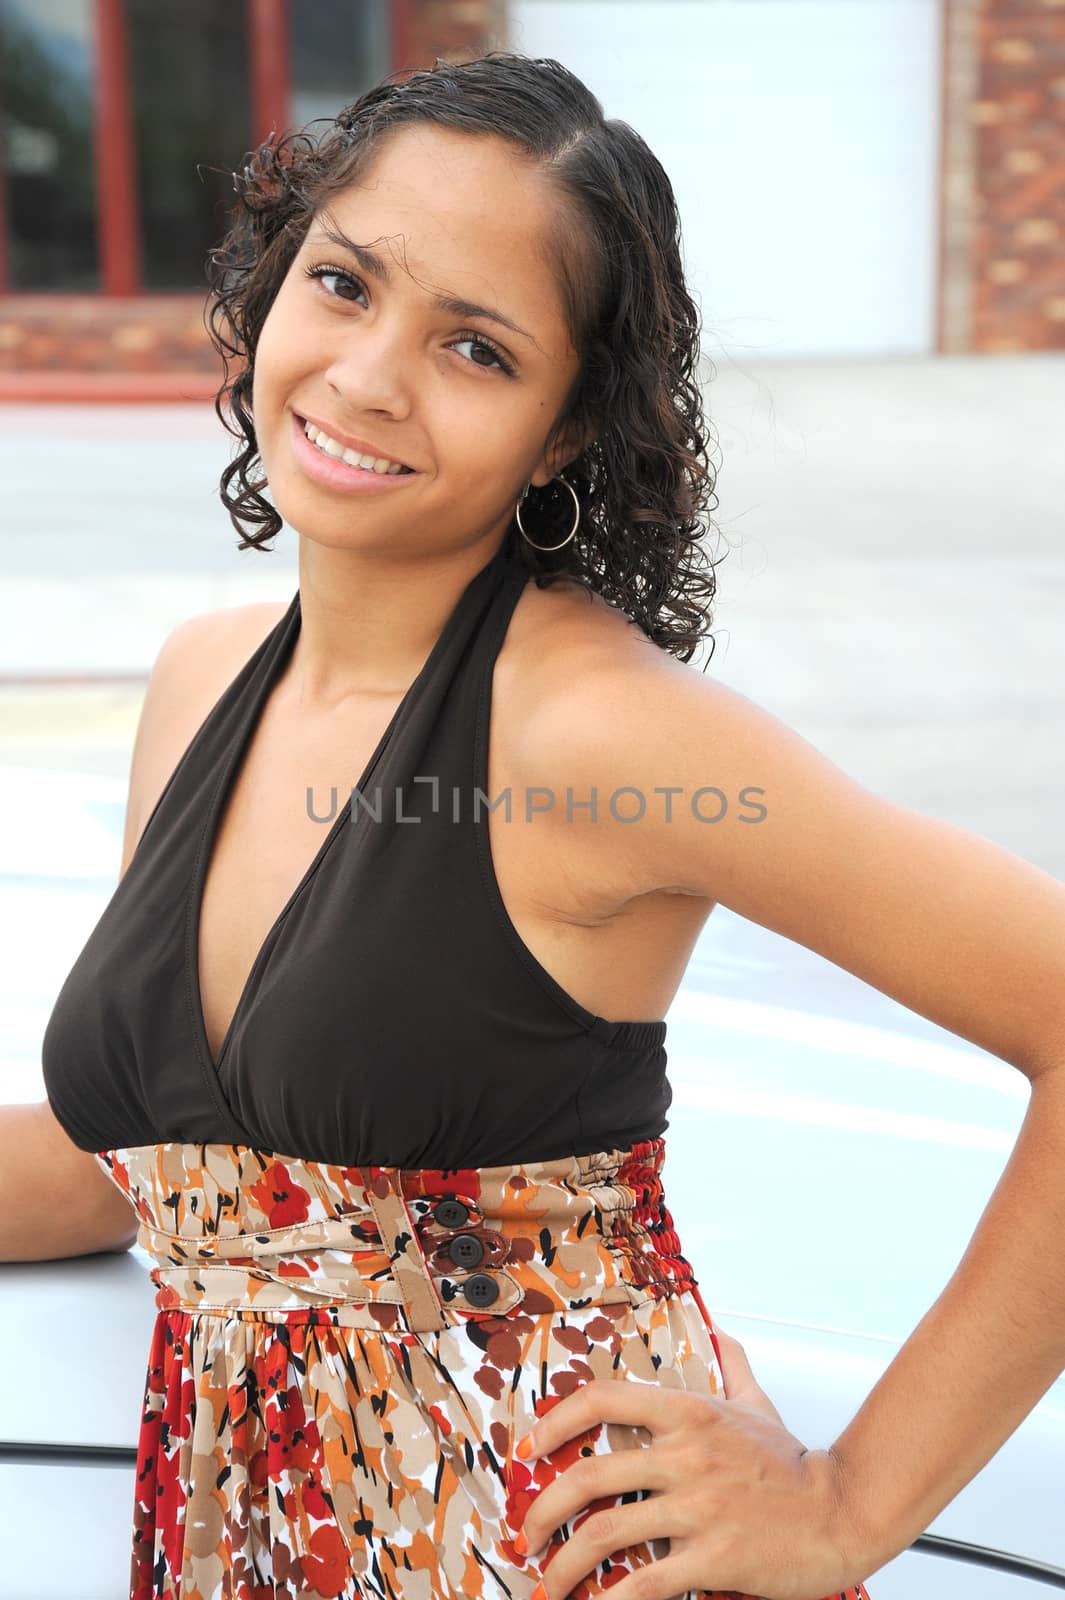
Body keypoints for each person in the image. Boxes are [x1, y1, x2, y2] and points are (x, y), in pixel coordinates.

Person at [12, 46, 1065, 1600]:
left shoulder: (596, 730)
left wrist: (850, 1504)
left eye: (478, 350)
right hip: (250, 1544)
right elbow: (180, 1166)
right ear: (269, 281)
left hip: (551, 1555)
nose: (370, 376)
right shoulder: (201, 677)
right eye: (347, 283)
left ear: (570, 430)